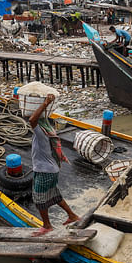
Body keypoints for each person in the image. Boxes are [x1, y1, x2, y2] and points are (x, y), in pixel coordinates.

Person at [29, 95, 79, 236]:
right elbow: (36, 119)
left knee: (39, 199)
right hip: (51, 169)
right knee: (54, 194)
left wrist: (45, 103)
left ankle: (47, 226)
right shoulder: (48, 129)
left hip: (44, 170)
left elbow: (32, 119)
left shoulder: (40, 132)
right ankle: (72, 216)